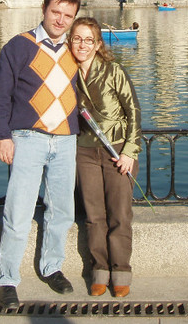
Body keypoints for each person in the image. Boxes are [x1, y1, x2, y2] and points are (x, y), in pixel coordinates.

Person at [0, 0, 81, 309]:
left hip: (66, 139)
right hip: (28, 137)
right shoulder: (19, 46)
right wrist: (2, 135)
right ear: (44, 8)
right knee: (19, 211)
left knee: (62, 211)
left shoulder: (75, 49)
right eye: (57, 12)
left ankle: (52, 267)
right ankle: (8, 277)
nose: (61, 20)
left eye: (68, 16)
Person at [68, 17, 142, 298]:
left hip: (116, 150)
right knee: (94, 215)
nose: (83, 45)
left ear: (98, 44)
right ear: (70, 41)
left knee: (120, 214)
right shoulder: (68, 73)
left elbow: (133, 111)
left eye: (89, 40)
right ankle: (99, 270)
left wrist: (129, 151)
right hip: (84, 150)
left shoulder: (113, 71)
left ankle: (121, 270)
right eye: (77, 39)